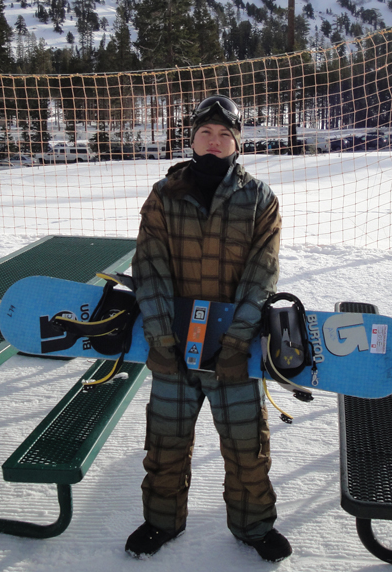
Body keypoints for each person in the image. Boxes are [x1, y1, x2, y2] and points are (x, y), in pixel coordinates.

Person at [126, 94, 291, 562]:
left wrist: (237, 341)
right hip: (174, 347)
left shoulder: (258, 198)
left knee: (246, 446)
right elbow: (150, 267)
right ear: (193, 139)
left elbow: (262, 273)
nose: (214, 141)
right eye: (205, 133)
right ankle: (161, 522)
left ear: (237, 142)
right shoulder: (164, 195)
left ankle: (254, 526)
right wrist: (162, 338)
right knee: (165, 442)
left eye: (223, 134)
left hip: (233, 350)